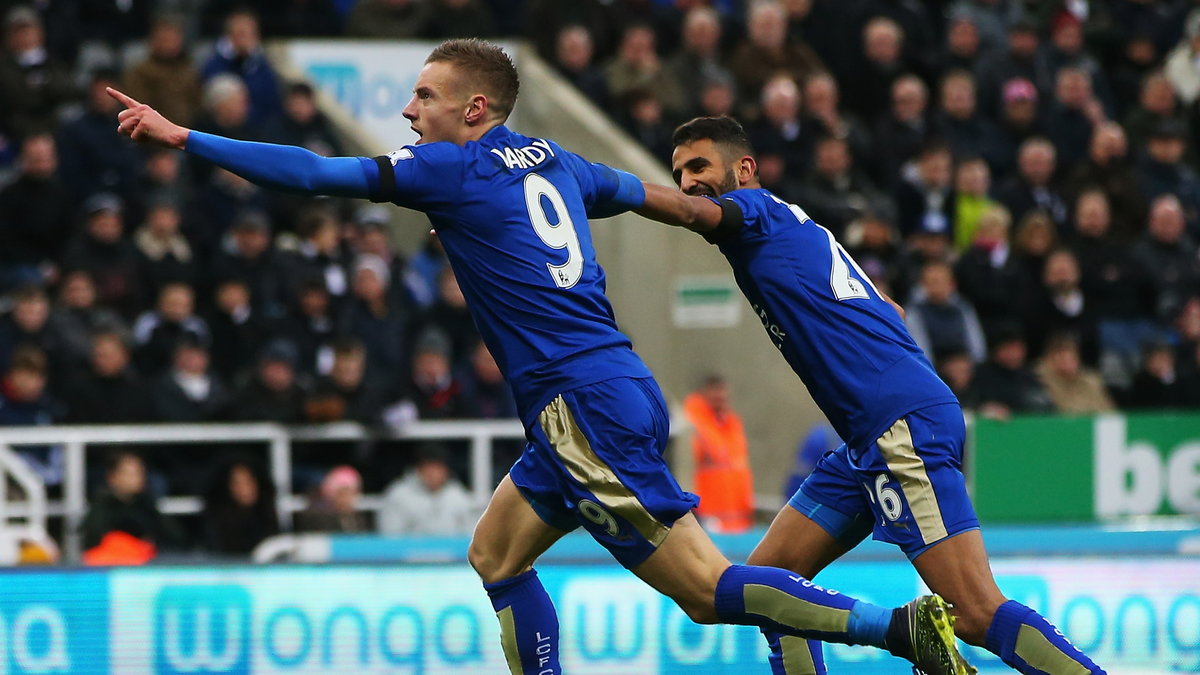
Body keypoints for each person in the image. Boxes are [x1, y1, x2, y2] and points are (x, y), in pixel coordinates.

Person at [107, 38, 969, 674]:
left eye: (424, 97)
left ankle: (896, 629)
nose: (410, 113)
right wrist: (756, 227)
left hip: (576, 403)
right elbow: (642, 197)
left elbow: (309, 172)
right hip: (603, 388)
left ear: (473, 110)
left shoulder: (451, 171)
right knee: (496, 553)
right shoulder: (556, 161)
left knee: (707, 591)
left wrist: (186, 139)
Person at [635, 116, 1105, 675]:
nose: (688, 183)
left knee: (976, 612)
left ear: (744, 169)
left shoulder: (756, 212)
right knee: (768, 589)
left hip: (897, 426)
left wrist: (599, 185)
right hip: (870, 437)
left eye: (698, 167)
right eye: (679, 173)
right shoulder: (797, 228)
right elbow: (892, 310)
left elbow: (693, 213)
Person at [683, 374, 753, 533]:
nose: (720, 396)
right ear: (704, 392)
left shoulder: (731, 423)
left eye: (723, 391)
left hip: (737, 522)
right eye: (715, 390)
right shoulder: (692, 424)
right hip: (707, 521)